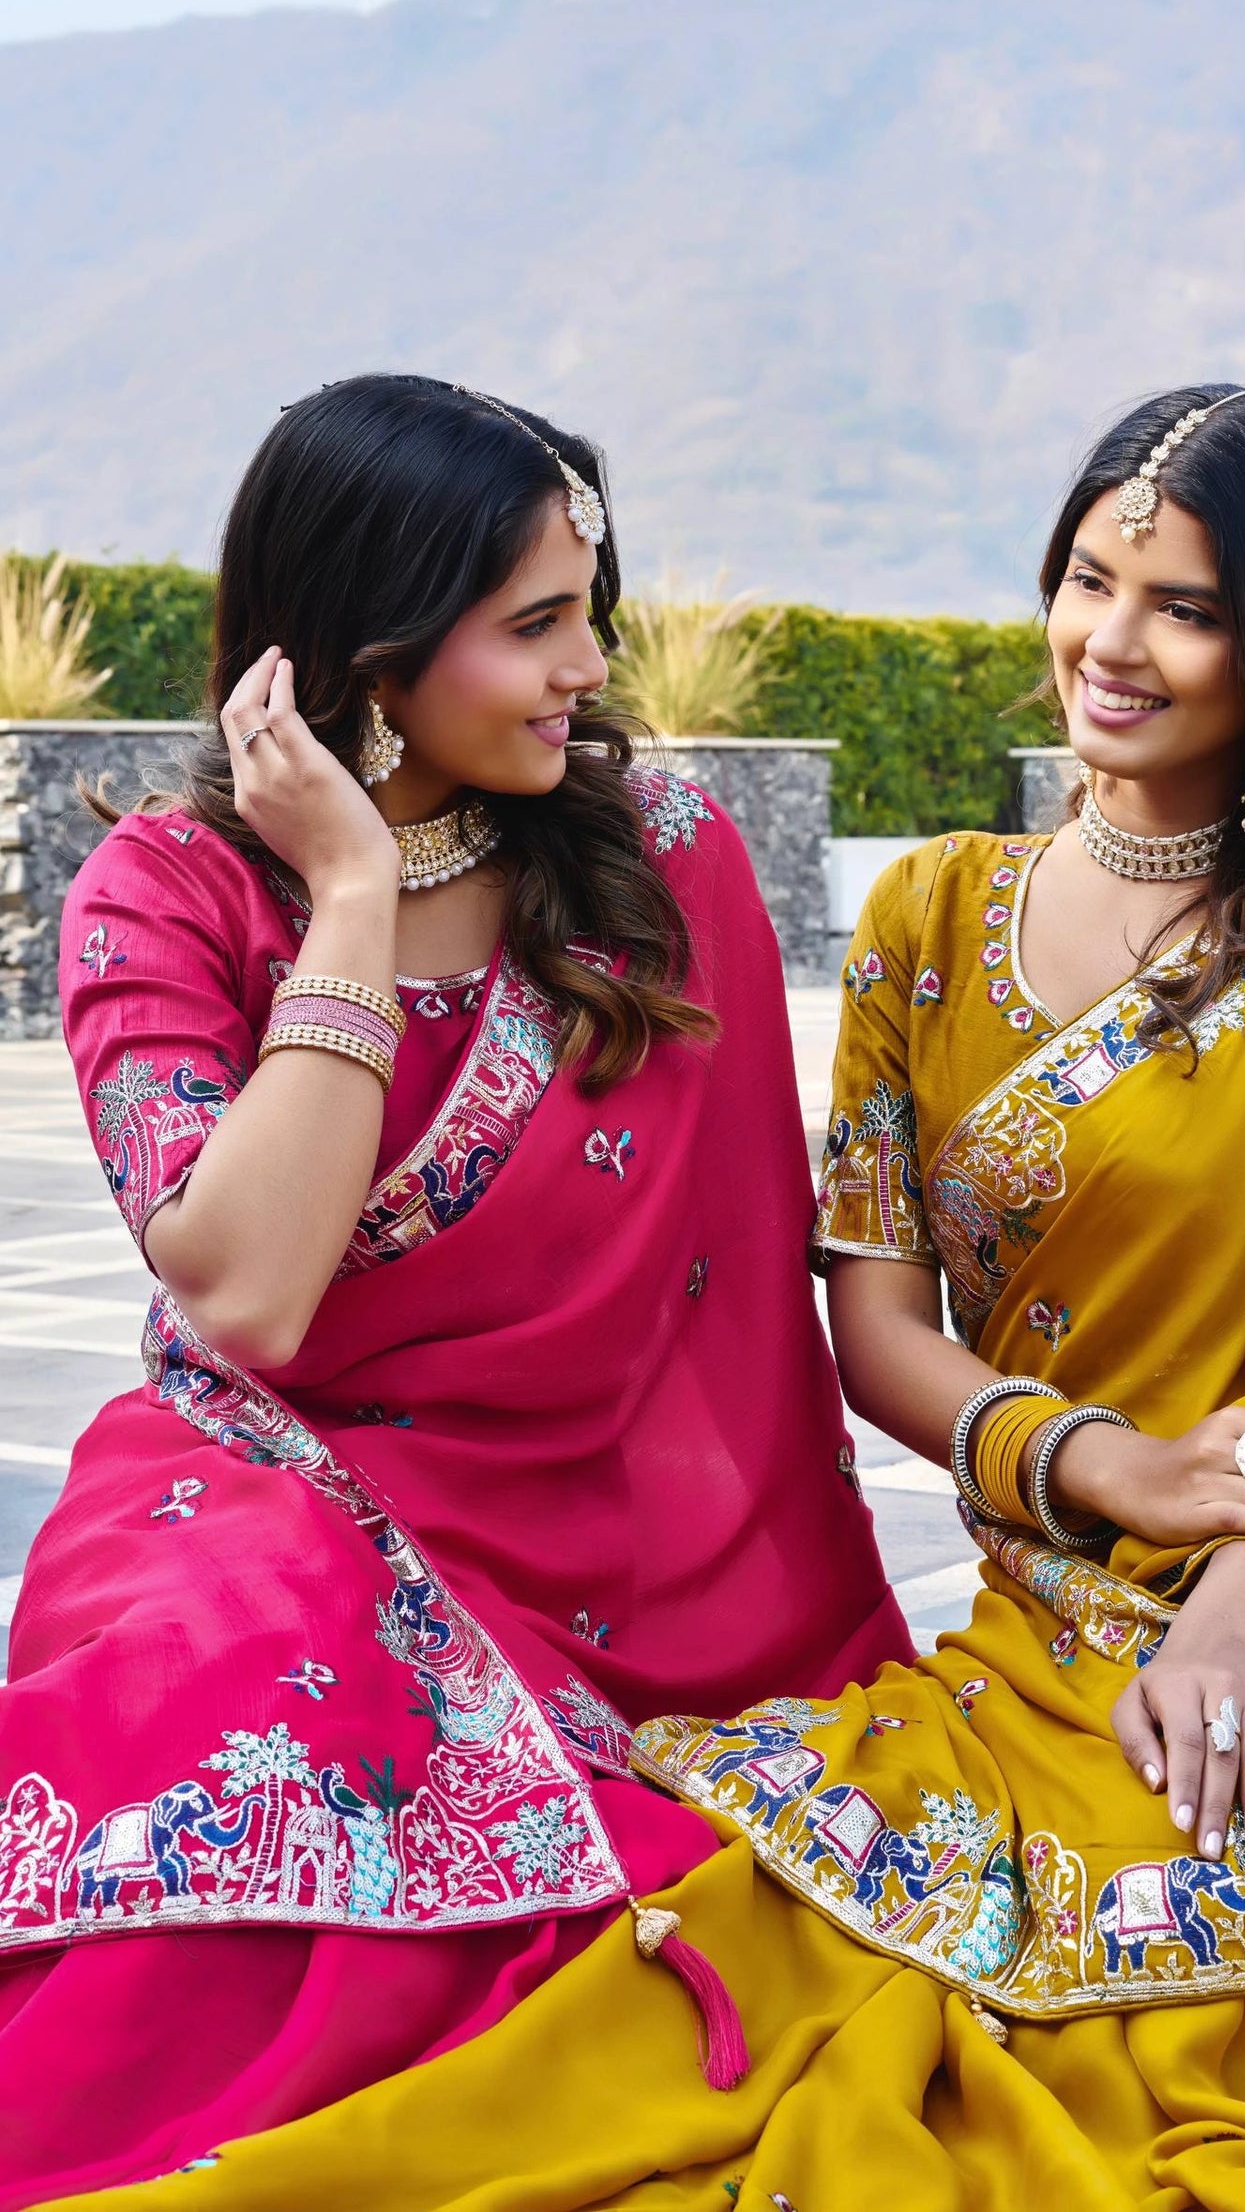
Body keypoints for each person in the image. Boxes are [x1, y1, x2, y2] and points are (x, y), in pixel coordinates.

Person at [93, 385, 1245, 2211]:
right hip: (1046, 1572)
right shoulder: (931, 923)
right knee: (832, 1915)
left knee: (1238, 1883)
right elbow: (861, 1315)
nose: (1110, 643)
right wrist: (1099, 1470)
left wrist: (1226, 1615)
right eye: (1087, 578)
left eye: (1184, 606)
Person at [0, 375, 910, 2207]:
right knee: (240, 1724)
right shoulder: (165, 900)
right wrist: (345, 892)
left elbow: (731, 1290)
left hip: (616, 1544)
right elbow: (249, 1295)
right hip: (259, 1481)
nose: (588, 668)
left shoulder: (660, 860)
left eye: (593, 612)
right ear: (366, 647)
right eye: (534, 625)